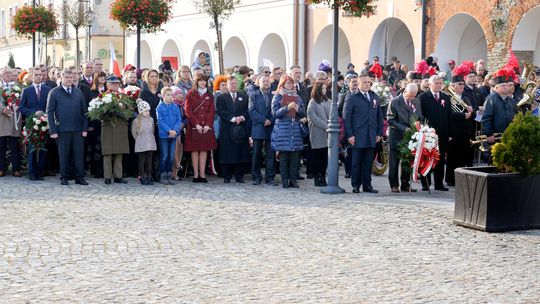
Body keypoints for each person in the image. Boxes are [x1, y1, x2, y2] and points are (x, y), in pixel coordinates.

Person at [46, 68, 89, 186]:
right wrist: (52, 130)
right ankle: (64, 177)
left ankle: (79, 177)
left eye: (72, 77)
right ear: (61, 78)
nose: (70, 79)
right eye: (67, 77)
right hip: (62, 129)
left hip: (78, 129)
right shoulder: (54, 92)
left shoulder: (78, 92)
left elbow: (84, 111)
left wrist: (85, 128)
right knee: (64, 155)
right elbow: (49, 112)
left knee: (79, 155)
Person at [343, 73, 384, 194]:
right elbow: (346, 118)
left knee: (368, 162)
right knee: (356, 162)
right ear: (358, 84)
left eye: (369, 82)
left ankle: (367, 185)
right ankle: (355, 185)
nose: (367, 84)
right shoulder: (352, 97)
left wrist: (379, 133)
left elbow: (379, 117)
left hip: (371, 135)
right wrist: (349, 135)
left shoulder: (374, 96)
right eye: (365, 82)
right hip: (357, 135)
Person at [418, 75, 452, 191]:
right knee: (427, 157)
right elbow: (420, 116)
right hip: (428, 133)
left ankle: (439, 183)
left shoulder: (445, 98)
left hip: (442, 133)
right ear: (430, 84)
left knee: (440, 159)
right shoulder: (423, 97)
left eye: (440, 83)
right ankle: (425, 183)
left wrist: (450, 133)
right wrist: (423, 130)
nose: (439, 85)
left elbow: (449, 116)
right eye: (437, 83)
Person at [271, 75, 305, 188]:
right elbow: (275, 113)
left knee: (295, 158)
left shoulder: (297, 97)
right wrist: (287, 108)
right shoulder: (277, 96)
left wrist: (297, 109)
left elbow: (303, 112)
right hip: (282, 129)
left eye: (292, 83)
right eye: (288, 83)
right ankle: (285, 180)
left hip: (294, 129)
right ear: (283, 84)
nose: (291, 85)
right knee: (284, 158)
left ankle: (293, 180)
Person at [387, 84, 422, 193]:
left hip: (410, 136)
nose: (411, 98)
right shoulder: (394, 101)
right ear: (405, 91)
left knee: (407, 161)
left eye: (413, 96)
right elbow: (390, 120)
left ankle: (405, 184)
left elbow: (419, 116)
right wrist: (404, 128)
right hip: (396, 136)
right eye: (409, 96)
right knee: (394, 162)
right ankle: (394, 185)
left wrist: (419, 127)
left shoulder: (416, 102)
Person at [216, 76, 250, 183]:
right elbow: (221, 112)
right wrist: (233, 118)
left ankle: (240, 176)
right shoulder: (222, 97)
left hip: (241, 129)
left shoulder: (244, 97)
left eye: (235, 83)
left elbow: (248, 110)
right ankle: (227, 176)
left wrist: (242, 117)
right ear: (227, 84)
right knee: (227, 153)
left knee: (241, 152)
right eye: (231, 83)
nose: (234, 85)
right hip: (227, 128)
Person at [19, 68, 52, 180]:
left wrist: (44, 114)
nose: (39, 76)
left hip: (44, 122)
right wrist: (34, 113)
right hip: (31, 122)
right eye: (36, 75)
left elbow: (51, 106)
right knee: (32, 148)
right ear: (32, 76)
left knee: (42, 147)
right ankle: (32, 173)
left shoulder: (48, 90)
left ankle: (41, 172)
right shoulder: (27, 90)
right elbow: (22, 107)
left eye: (40, 75)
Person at [184, 74, 217, 183]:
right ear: (196, 82)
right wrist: (196, 124)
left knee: (204, 150)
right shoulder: (190, 94)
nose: (203, 83)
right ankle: (196, 175)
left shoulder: (210, 95)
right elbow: (188, 111)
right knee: (194, 150)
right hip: (194, 127)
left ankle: (202, 175)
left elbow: (212, 111)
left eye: (204, 81)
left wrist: (208, 125)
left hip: (206, 127)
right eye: (200, 81)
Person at [445, 73, 474, 186]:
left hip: (465, 131)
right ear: (452, 86)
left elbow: (472, 110)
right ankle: (450, 179)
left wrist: (472, 109)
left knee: (463, 156)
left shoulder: (466, 97)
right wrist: (462, 115)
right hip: (454, 130)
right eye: (459, 84)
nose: (462, 86)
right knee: (453, 156)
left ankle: (461, 179)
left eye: (463, 84)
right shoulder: (448, 98)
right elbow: (448, 114)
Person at [481, 71, 518, 160]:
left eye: (507, 85)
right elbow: (486, 119)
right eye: (503, 86)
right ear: (496, 88)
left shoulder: (512, 101)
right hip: (495, 137)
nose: (506, 87)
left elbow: (516, 117)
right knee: (496, 160)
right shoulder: (491, 100)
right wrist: (489, 134)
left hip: (509, 136)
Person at [101, 76, 130, 185]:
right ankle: (107, 177)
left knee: (119, 152)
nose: (115, 85)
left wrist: (124, 115)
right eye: (112, 83)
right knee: (107, 153)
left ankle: (118, 176)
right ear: (107, 85)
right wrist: (107, 114)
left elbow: (130, 110)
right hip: (108, 126)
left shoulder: (123, 96)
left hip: (120, 126)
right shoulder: (102, 97)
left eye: (117, 83)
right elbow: (98, 113)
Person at [249, 75, 275, 185]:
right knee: (256, 153)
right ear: (259, 83)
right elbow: (252, 111)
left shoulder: (275, 95)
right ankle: (256, 176)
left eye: (267, 81)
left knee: (270, 154)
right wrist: (264, 120)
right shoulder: (253, 95)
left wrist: (270, 120)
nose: (266, 83)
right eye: (263, 81)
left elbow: (277, 110)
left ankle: (269, 177)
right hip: (258, 127)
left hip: (271, 127)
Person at [307, 82, 330, 187]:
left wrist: (330, 125)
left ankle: (323, 176)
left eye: (325, 88)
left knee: (324, 157)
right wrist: (327, 126)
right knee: (317, 156)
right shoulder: (312, 102)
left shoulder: (328, 101)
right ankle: (316, 177)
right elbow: (313, 118)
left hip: (327, 134)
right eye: (322, 88)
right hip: (317, 132)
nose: (324, 90)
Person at [156, 87, 182, 185]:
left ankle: (169, 175)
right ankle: (162, 175)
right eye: (168, 95)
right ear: (163, 96)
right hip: (164, 136)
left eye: (171, 95)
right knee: (164, 156)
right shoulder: (159, 108)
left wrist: (175, 130)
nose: (170, 97)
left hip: (173, 135)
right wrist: (169, 130)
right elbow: (160, 121)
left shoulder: (175, 107)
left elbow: (178, 120)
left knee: (171, 156)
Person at [132, 99, 157, 185]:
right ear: (141, 111)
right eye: (145, 111)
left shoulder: (151, 120)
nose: (147, 113)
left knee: (149, 159)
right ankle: (142, 175)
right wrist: (138, 139)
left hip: (150, 141)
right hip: (141, 142)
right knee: (142, 160)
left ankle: (149, 175)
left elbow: (152, 130)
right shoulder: (136, 121)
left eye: (148, 111)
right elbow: (134, 133)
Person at [170, 86, 188, 181]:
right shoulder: (172, 105)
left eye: (180, 93)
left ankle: (175, 173)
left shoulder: (182, 105)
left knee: (179, 151)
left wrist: (183, 123)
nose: (180, 95)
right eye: (177, 94)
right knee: (175, 151)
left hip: (181, 131)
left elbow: (186, 117)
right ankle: (175, 168)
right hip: (174, 131)